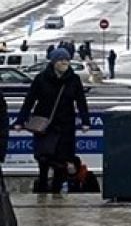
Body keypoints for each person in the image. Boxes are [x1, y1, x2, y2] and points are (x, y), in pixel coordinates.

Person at [14, 48, 90, 194]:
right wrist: (20, 120)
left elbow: (81, 101)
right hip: (45, 126)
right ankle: (42, 193)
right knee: (44, 160)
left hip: (65, 126)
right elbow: (29, 100)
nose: (65, 63)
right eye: (62, 60)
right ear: (54, 62)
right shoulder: (41, 78)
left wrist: (85, 120)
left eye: (67, 60)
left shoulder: (73, 79)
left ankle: (56, 194)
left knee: (61, 163)